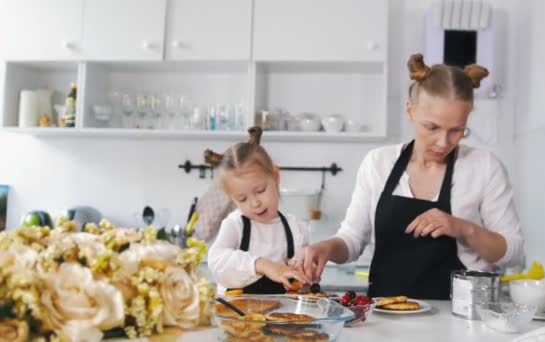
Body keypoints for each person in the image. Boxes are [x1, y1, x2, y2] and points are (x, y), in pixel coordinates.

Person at [299, 54, 524, 299]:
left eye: (457, 130)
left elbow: (512, 252)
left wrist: (462, 228)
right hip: (385, 314)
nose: (443, 142)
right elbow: (352, 240)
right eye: (432, 127)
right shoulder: (379, 163)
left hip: (460, 317)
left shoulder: (484, 167)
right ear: (410, 110)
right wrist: (325, 248)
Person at [208, 128, 311, 295]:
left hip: (284, 317)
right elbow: (217, 262)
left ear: (276, 177)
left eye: (260, 190)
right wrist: (262, 265)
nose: (255, 203)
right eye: (242, 199)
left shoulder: (296, 228)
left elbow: (304, 279)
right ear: (232, 199)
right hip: (237, 318)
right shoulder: (235, 225)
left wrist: (304, 273)